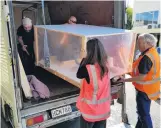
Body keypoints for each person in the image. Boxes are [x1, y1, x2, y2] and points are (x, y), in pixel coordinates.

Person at [120, 33, 160, 128]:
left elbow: (141, 77)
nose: (138, 44)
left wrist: (125, 80)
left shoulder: (146, 57)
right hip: (149, 89)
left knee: (144, 115)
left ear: (147, 43)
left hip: (144, 90)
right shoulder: (152, 53)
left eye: (139, 42)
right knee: (141, 114)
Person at [76, 38, 111, 128]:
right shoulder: (106, 65)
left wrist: (84, 59)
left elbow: (78, 75)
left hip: (90, 112)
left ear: (89, 52)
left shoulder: (87, 69)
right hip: (103, 110)